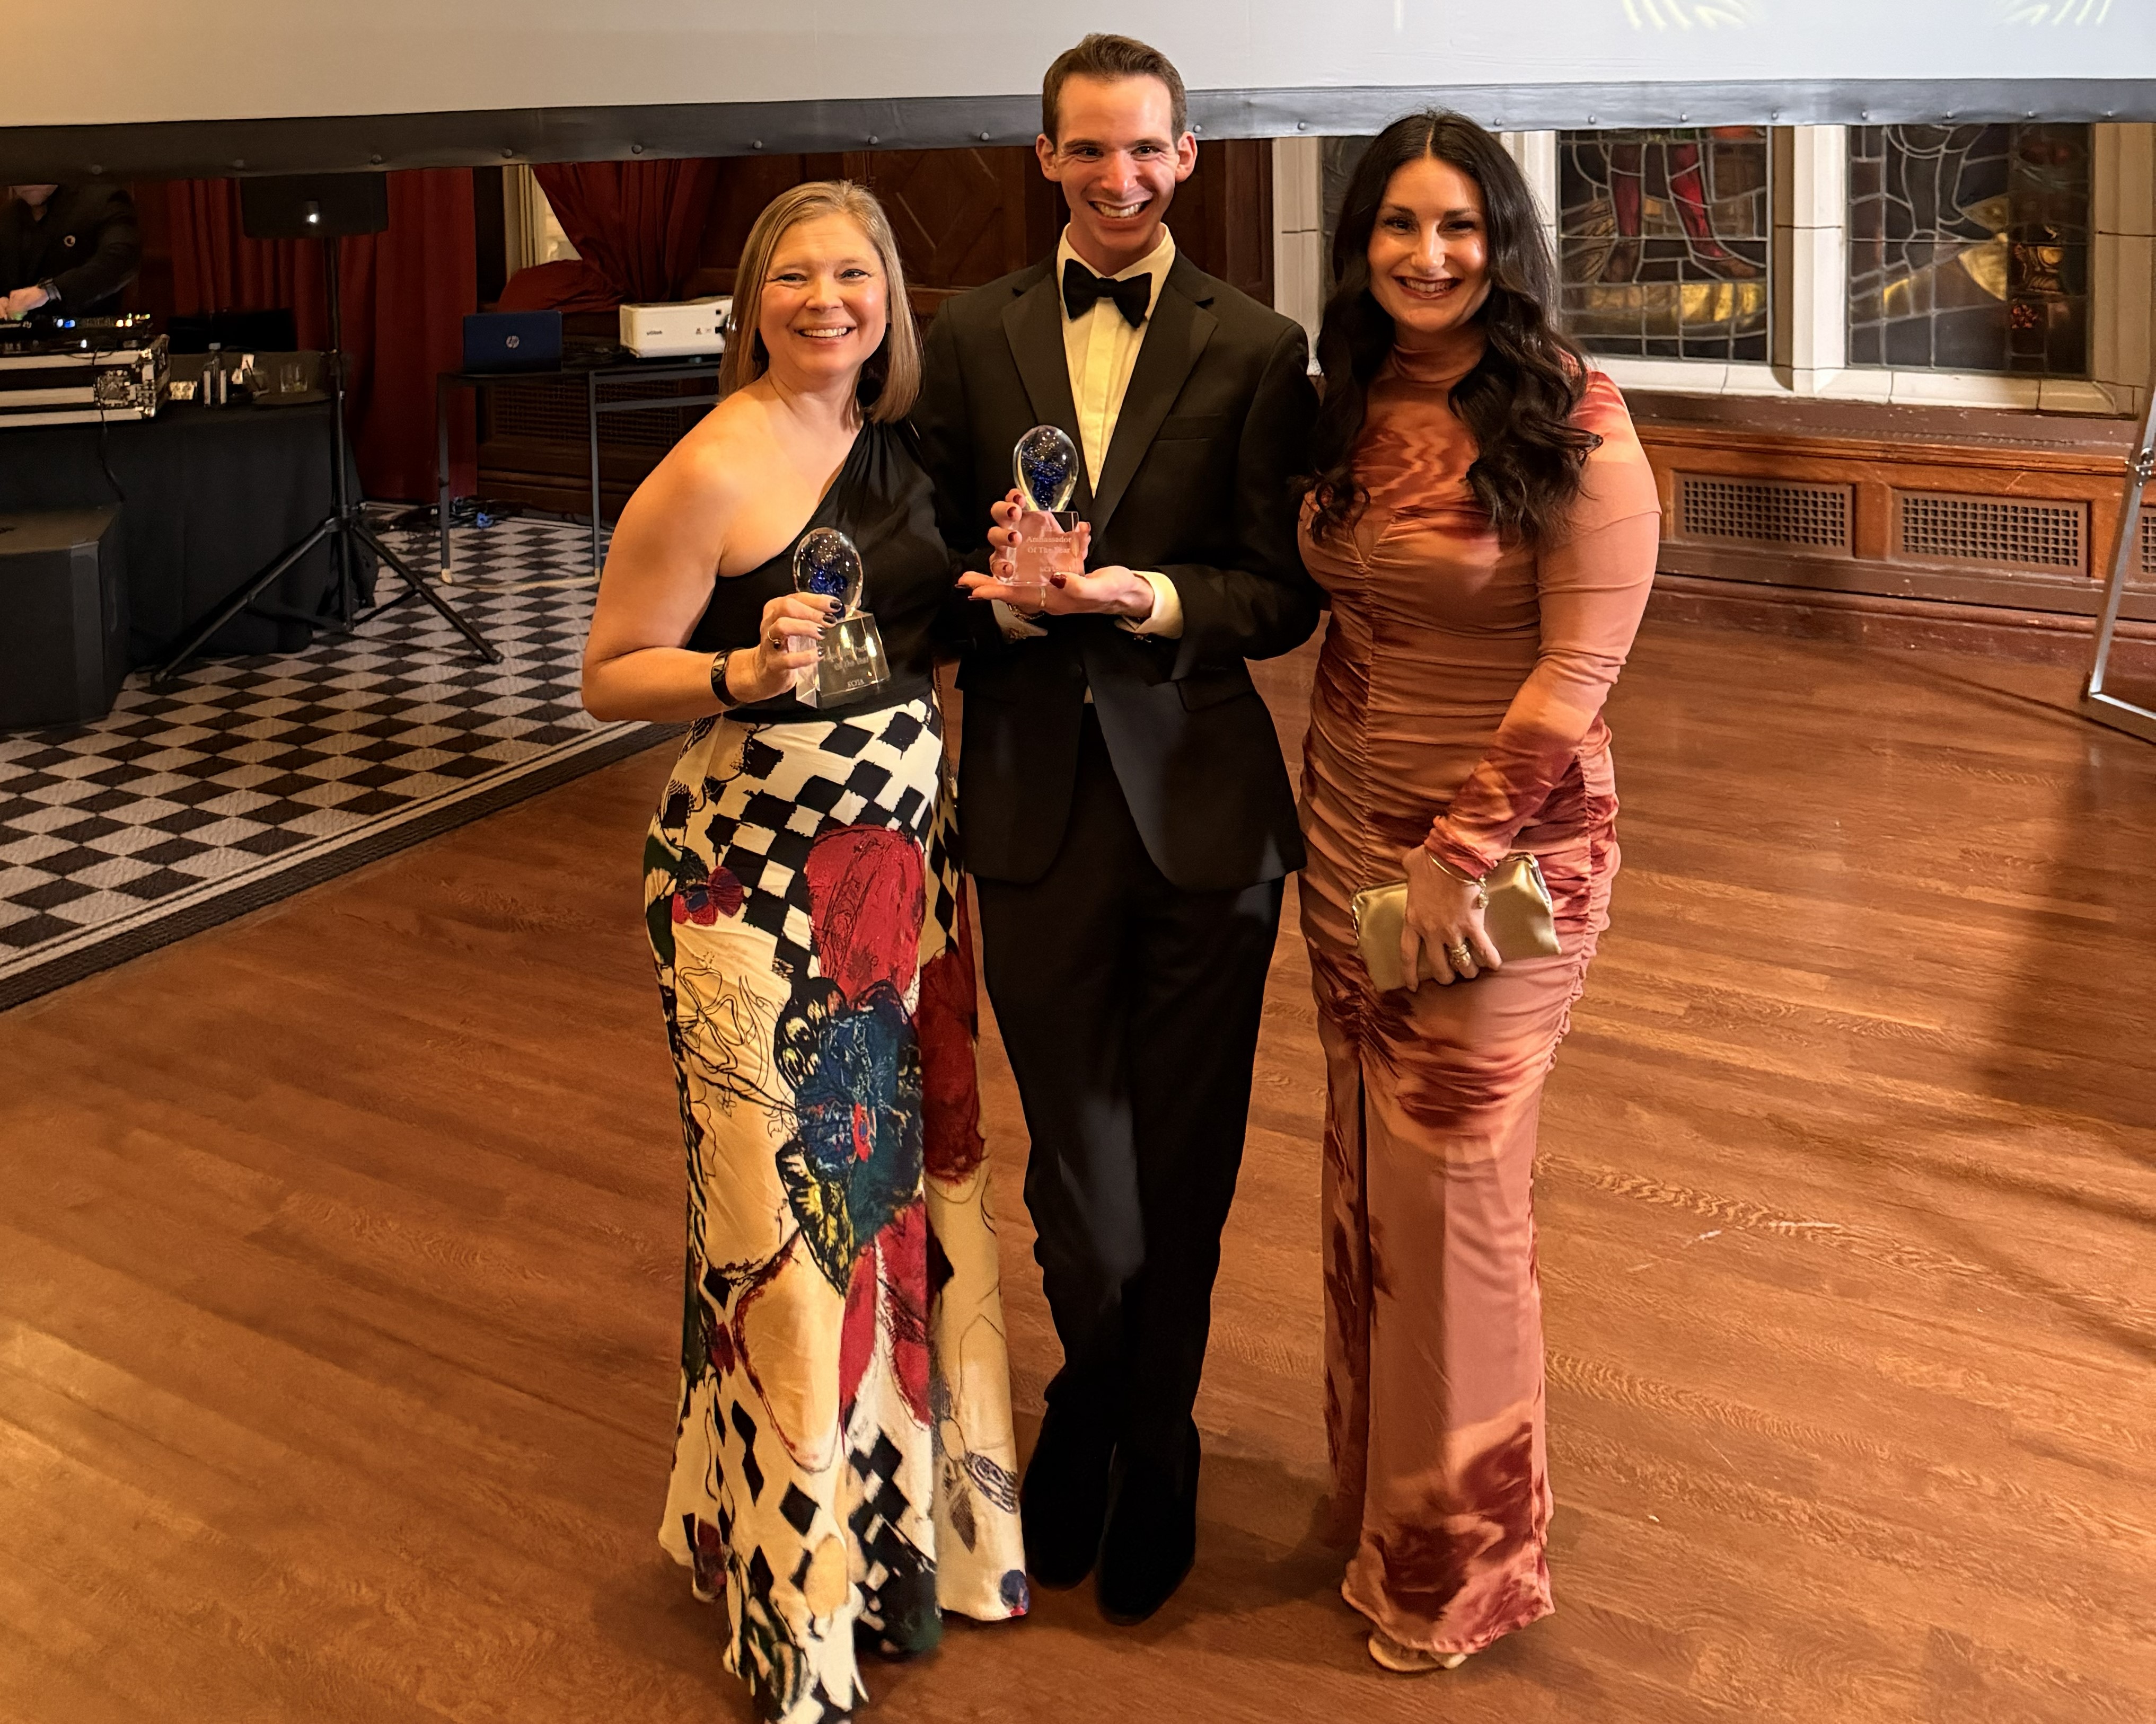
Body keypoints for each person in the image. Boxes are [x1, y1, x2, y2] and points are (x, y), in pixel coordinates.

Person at [582, 181, 1027, 1724]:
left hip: (897, 883)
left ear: (891, 296)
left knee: (893, 1209)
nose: (824, 298)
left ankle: (908, 1542)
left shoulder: (909, 449)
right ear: (750, 301)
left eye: (851, 273)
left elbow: (945, 625)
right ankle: (794, 1602)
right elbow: (605, 672)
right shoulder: (707, 466)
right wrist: (725, 661)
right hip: (742, 892)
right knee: (777, 1234)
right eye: (792, 276)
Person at [911, 33, 1319, 1625]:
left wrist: (1133, 595)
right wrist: (1008, 607)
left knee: (1187, 1159)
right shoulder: (965, 334)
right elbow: (930, 551)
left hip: (1204, 813)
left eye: (1144, 150)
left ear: (1186, 157)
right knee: (1080, 1173)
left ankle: (1148, 1442)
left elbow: (1277, 591)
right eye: (1088, 151)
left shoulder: (1256, 344)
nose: (1118, 177)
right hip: (1027, 803)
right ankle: (1100, 1392)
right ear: (1042, 159)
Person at [1295, 113, 1660, 1672]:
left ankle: (1460, 1568)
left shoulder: (1569, 411)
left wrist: (1455, 857)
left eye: (1455, 226)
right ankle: (1382, 1506)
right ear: (1357, 243)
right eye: (1394, 225)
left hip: (1501, 861)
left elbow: (1577, 662)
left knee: (1450, 1189)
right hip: (1339, 841)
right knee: (1367, 1180)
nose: (1424, 255)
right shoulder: (1340, 399)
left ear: (1500, 241)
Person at [0, 183, 141, 320]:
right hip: (18, 337)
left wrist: (51, 291)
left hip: (89, 332)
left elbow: (122, 257)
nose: (29, 180)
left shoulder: (100, 200)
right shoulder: (7, 216)